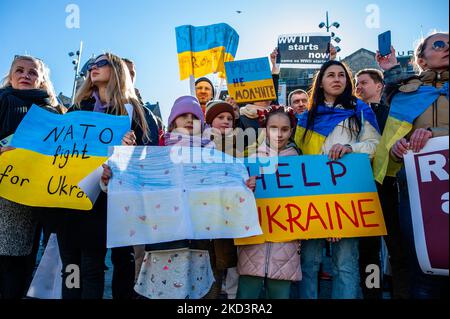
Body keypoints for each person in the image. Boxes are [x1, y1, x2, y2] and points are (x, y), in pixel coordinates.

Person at [57, 53, 157, 299]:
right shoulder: (78, 107)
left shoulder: (136, 112)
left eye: (101, 63)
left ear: (117, 69)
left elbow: (149, 158)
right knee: (72, 266)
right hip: (74, 196)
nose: (93, 67)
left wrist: (129, 152)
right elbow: (57, 145)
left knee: (100, 264)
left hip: (113, 200)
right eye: (91, 64)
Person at [294, 60, 381, 299]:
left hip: (347, 196)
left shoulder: (360, 109)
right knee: (309, 263)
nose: (337, 79)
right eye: (330, 75)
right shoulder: (306, 117)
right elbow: (298, 155)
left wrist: (351, 148)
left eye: (342, 75)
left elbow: (376, 146)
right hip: (312, 198)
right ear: (320, 82)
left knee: (345, 263)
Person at [373, 32, 449, 299]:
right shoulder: (408, 94)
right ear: (422, 59)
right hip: (417, 195)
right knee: (420, 270)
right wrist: (396, 149)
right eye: (439, 44)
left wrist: (433, 132)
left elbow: (428, 134)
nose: (447, 47)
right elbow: (395, 142)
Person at [0, 55, 62, 299]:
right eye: (20, 70)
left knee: (19, 263)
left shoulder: (54, 113)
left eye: (32, 72)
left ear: (42, 80)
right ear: (11, 76)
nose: (25, 75)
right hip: (3, 194)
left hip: (31, 197)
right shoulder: (2, 100)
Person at [356, 68, 411, 299]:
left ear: (379, 85)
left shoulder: (395, 113)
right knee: (369, 251)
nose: (358, 87)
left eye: (364, 82)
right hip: (363, 186)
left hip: (390, 187)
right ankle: (372, 294)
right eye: (356, 83)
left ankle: (401, 293)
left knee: (396, 249)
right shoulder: (353, 114)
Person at [237, 105, 301, 299]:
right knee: (246, 295)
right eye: (273, 128)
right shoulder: (250, 160)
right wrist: (246, 189)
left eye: (284, 129)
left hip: (287, 245)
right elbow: (235, 202)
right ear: (264, 129)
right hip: (253, 243)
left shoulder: (302, 163)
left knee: (280, 293)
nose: (279, 134)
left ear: (291, 131)